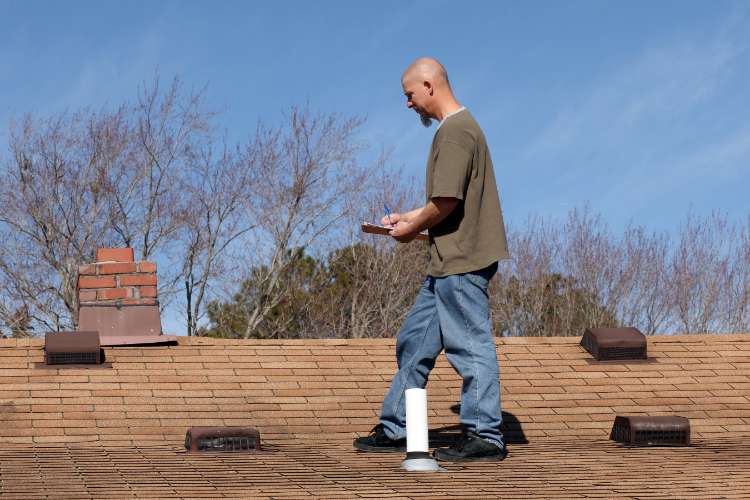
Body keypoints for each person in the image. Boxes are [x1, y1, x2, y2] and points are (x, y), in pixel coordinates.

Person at [353, 57, 510, 462]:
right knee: (414, 341)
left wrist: (410, 229)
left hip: (461, 263)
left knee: (470, 346)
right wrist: (407, 218)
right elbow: (442, 205)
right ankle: (396, 427)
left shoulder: (456, 132)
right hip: (446, 264)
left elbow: (445, 201)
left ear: (428, 85)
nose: (408, 104)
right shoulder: (458, 129)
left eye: (409, 95)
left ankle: (485, 434)